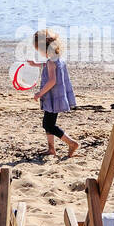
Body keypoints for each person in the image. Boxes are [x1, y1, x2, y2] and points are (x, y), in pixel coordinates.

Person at [31, 28, 79, 157]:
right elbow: (47, 65)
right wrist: (36, 64)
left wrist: (40, 93)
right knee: (49, 123)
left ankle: (72, 143)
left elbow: (52, 81)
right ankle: (51, 149)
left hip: (52, 97)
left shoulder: (51, 62)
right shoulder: (57, 59)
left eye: (39, 49)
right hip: (56, 97)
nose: (39, 52)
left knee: (48, 124)